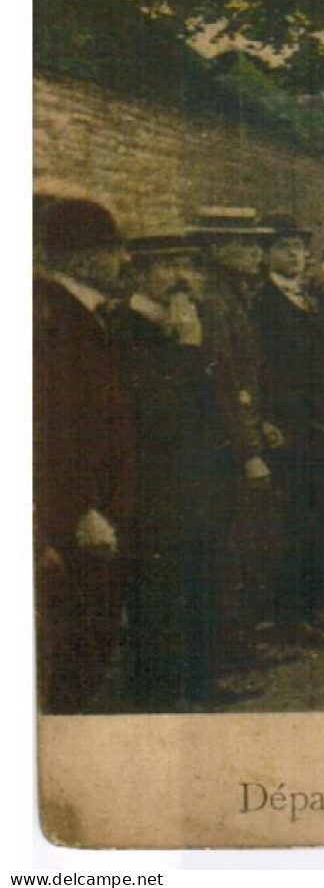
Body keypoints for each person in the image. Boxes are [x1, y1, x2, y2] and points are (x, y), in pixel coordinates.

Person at [110, 230, 249, 708]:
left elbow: (215, 393)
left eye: (185, 264)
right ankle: (164, 694)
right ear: (140, 274)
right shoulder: (127, 328)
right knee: (162, 590)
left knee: (201, 577)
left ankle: (200, 681)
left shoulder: (185, 322)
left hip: (199, 474)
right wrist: (189, 349)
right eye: (167, 266)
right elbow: (157, 411)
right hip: (159, 481)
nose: (180, 277)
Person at [34, 197, 137, 713]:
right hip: (78, 518)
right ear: (81, 258)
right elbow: (52, 427)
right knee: (78, 645)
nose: (123, 261)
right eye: (113, 251)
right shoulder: (50, 319)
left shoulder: (82, 313)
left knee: (93, 636)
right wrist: (80, 509)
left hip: (99, 509)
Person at [252, 212, 324, 647]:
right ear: (267, 255)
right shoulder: (264, 302)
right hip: (294, 424)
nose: (294, 255)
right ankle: (292, 613)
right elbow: (267, 369)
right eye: (284, 247)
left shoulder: (310, 297)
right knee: (296, 520)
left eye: (299, 247)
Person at [193, 205, 288, 672]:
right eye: (245, 243)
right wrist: (249, 447)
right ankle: (228, 654)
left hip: (241, 435)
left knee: (246, 545)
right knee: (231, 551)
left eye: (256, 243)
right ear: (216, 248)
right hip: (226, 448)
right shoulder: (214, 301)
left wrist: (261, 421)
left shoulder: (232, 296)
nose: (256, 252)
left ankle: (241, 643)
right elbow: (224, 384)